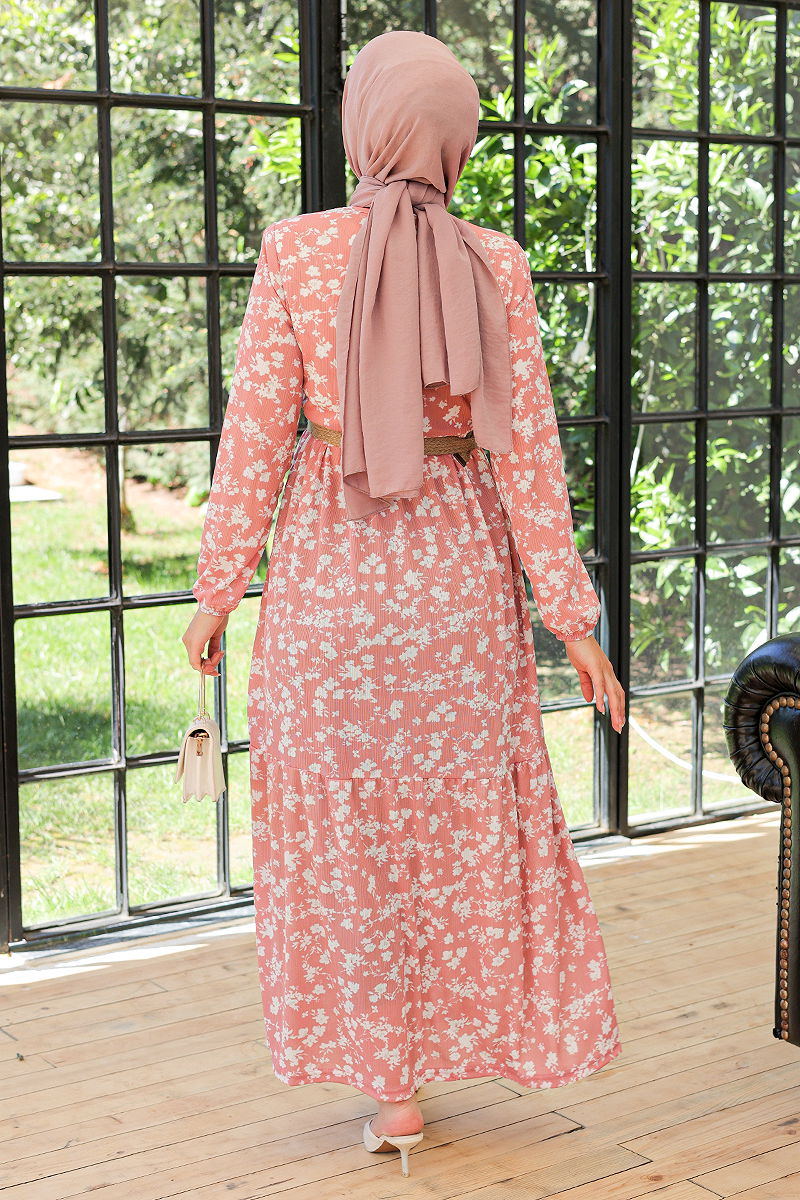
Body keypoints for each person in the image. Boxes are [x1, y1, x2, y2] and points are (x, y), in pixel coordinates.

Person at [182, 29, 626, 1178]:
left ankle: (390, 1092)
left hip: (331, 585)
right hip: (457, 591)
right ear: (454, 138)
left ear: (363, 126)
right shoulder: (496, 261)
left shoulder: (297, 252)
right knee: (454, 830)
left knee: (348, 838)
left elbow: (253, 437)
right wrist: (572, 621)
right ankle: (449, 1048)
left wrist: (217, 591)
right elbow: (529, 455)